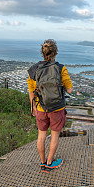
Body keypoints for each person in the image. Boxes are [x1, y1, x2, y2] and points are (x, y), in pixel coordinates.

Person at [27, 39, 73, 173]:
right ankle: (50, 163)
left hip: (41, 108)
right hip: (57, 108)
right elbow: (69, 89)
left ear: (42, 53)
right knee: (54, 136)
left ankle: (42, 163)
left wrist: (33, 107)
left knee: (41, 136)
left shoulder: (33, 70)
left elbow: (31, 92)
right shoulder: (60, 68)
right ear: (55, 53)